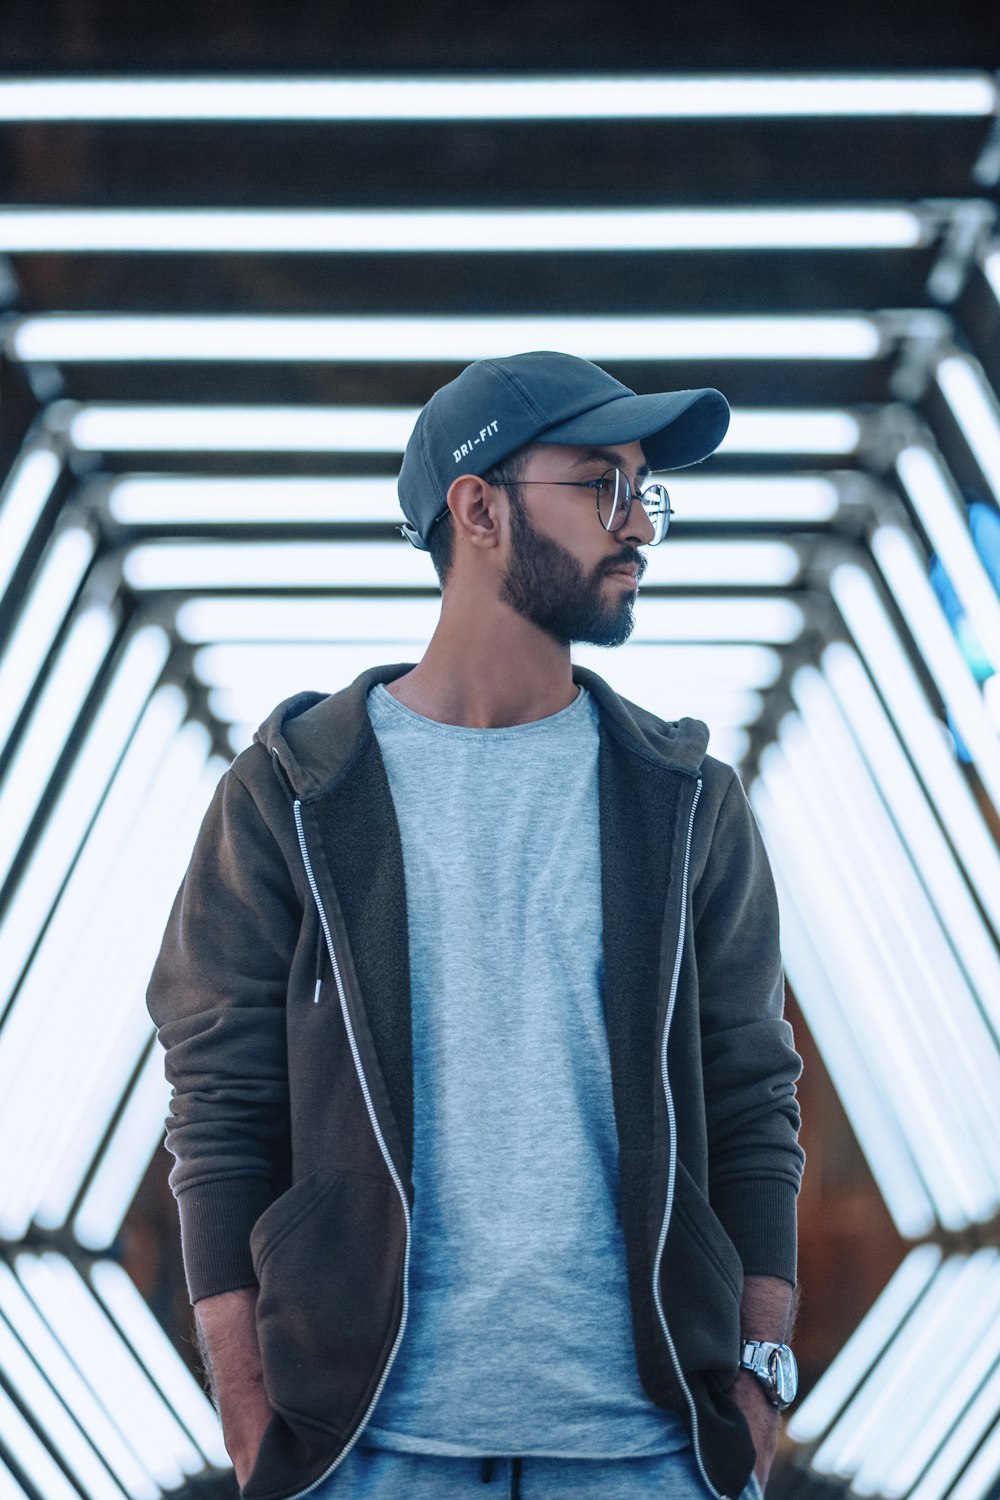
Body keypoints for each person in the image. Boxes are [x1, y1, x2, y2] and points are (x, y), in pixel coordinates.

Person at [147, 351, 804, 1500]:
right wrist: (248, 1412)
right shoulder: (293, 796)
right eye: (603, 483)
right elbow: (220, 1107)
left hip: (648, 1450)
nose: (638, 525)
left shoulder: (687, 801)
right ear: (478, 506)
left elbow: (751, 1095)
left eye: (648, 490)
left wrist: (756, 1379)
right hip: (364, 1448)